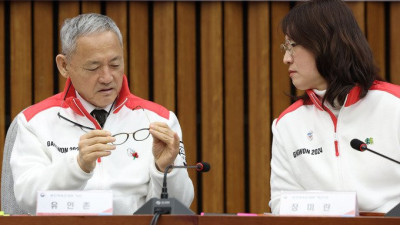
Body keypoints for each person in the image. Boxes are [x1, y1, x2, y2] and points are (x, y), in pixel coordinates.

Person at [10, 13, 194, 215]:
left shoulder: (160, 119)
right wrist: (77, 166)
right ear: (64, 66)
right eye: (93, 67)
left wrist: (164, 169)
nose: (107, 77)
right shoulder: (35, 121)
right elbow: (26, 197)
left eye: (115, 65)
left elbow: (180, 205)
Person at [270, 0, 400, 214]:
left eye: (292, 46)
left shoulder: (395, 106)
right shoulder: (286, 124)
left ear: (324, 43)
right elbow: (281, 205)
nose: (285, 59)